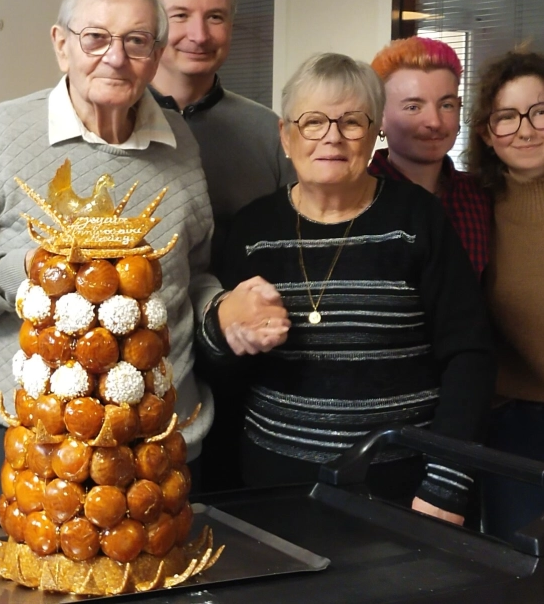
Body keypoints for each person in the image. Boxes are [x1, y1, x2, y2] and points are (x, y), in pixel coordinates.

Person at [0, 0, 222, 499]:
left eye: (136, 41)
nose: (116, 57)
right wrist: (25, 272)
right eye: (96, 38)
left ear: (155, 54)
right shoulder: (2, 133)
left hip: (161, 438)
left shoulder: (182, 144)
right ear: (61, 44)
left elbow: (190, 276)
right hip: (42, 445)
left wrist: (223, 305)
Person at [198, 52, 495, 523]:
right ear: (285, 137)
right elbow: (221, 365)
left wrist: (446, 484)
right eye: (313, 121)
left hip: (402, 487)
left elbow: (470, 354)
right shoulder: (252, 229)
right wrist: (223, 334)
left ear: (375, 134)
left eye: (351, 122)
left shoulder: (417, 219)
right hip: (273, 485)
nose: (332, 137)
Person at [145, 0, 296, 493]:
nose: (199, 34)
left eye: (216, 17)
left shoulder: (269, 133)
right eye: (179, 15)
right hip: (137, 378)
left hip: (246, 383)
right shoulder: (110, 126)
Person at [465, 50, 544, 542]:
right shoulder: (472, 204)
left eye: (541, 111)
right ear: (487, 132)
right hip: (515, 420)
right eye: (507, 116)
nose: (526, 128)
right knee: (524, 570)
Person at [370, 37, 491, 275]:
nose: (434, 122)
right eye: (413, 107)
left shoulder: (481, 198)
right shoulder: (354, 199)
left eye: (446, 105)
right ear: (379, 115)